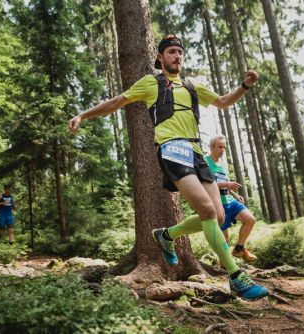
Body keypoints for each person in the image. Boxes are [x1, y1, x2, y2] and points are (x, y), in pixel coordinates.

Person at [68, 34, 268, 300]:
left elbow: (222, 102)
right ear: (160, 57)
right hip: (172, 148)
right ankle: (235, 277)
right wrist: (83, 114)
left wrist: (244, 86)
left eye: (180, 52)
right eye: (171, 52)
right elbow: (116, 102)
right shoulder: (151, 83)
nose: (177, 56)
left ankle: (166, 235)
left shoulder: (192, 84)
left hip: (197, 152)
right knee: (208, 210)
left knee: (219, 218)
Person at [206, 135, 257, 264]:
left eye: (224, 147)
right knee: (224, 241)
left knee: (250, 219)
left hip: (230, 200)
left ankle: (239, 248)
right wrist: (226, 185)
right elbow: (206, 185)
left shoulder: (223, 165)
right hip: (217, 204)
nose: (222, 150)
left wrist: (235, 194)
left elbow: (224, 183)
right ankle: (224, 267)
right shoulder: (205, 163)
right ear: (212, 147)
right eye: (219, 147)